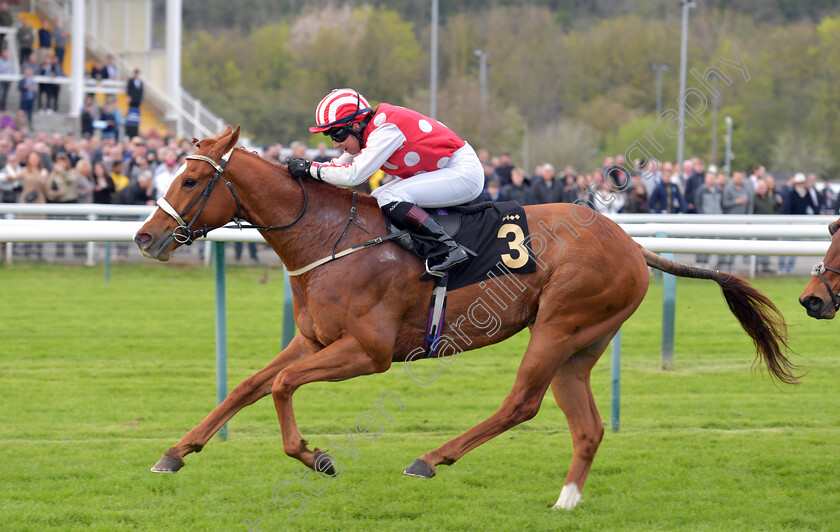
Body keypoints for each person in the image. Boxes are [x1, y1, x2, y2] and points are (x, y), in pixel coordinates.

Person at [287, 88, 483, 273]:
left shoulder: (385, 130)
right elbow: (339, 167)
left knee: (390, 196)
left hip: (463, 172)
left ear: (355, 125)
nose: (336, 143)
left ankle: (447, 248)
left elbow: (352, 176)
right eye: (329, 136)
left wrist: (309, 168)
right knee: (377, 197)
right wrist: (308, 172)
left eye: (337, 135)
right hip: (446, 168)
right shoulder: (369, 131)